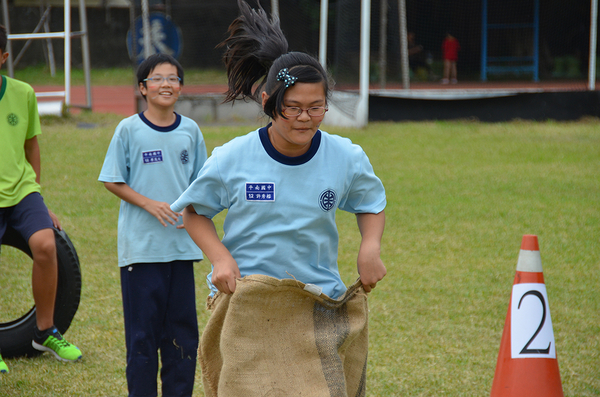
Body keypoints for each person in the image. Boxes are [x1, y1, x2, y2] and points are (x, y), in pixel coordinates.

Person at [98, 53, 207, 397]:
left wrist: (194, 212)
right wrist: (149, 204)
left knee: (182, 336)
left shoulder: (191, 131)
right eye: (157, 79)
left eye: (173, 78)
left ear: (181, 87)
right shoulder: (128, 129)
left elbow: (201, 185)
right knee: (142, 338)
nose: (166, 85)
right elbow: (112, 180)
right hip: (141, 253)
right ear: (143, 88)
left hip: (180, 250)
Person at [0, 25, 82, 374]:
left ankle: (45, 332)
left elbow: (31, 146)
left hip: (21, 191)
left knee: (46, 245)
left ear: (3, 57)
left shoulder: (23, 93)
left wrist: (37, 195)